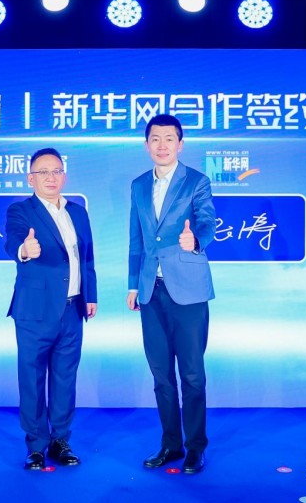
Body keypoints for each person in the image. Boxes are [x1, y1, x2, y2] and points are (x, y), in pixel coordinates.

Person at [127, 114, 216, 474]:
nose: (161, 145)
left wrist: (196, 240)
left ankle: (195, 447)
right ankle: (171, 444)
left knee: (192, 375)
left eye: (169, 139)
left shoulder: (197, 181)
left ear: (180, 144)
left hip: (189, 291)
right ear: (146, 144)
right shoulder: (138, 185)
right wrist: (134, 284)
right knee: (161, 375)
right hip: (151, 290)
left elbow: (207, 222)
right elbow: (136, 238)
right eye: (155, 139)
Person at [4, 148, 98, 471]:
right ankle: (35, 446)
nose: (50, 177)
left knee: (65, 378)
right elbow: (12, 242)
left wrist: (90, 295)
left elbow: (87, 257)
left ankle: (60, 441)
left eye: (56, 171)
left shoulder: (78, 212)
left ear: (64, 176)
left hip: (72, 309)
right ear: (30, 178)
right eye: (43, 172)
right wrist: (24, 249)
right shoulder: (21, 211)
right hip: (35, 311)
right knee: (32, 378)